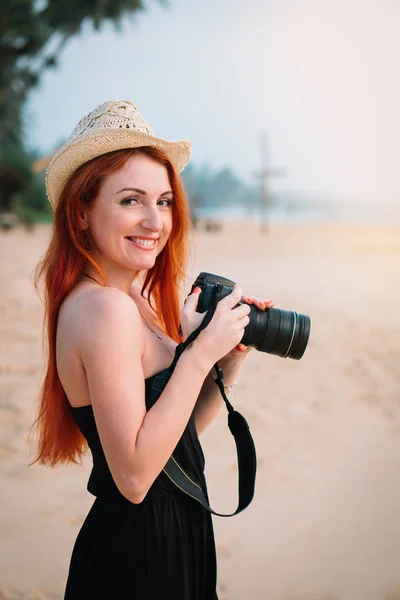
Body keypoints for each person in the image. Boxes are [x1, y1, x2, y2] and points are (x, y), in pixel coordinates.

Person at [29, 100, 273, 600]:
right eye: (130, 201)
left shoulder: (133, 301)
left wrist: (227, 358)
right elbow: (136, 477)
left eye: (163, 201)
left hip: (174, 531)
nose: (153, 221)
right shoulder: (103, 309)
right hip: (139, 552)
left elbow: (171, 438)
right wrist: (199, 354)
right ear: (81, 213)